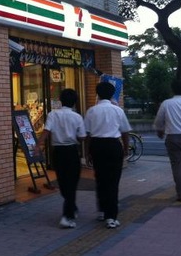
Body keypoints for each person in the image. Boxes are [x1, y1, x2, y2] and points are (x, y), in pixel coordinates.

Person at [36, 89, 86, 229]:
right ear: (75, 102)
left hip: (57, 152)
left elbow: (46, 131)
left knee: (63, 182)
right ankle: (67, 216)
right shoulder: (77, 117)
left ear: (60, 100)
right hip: (71, 151)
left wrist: (38, 146)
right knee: (72, 183)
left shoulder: (52, 114)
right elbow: (82, 137)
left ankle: (72, 208)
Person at [84, 81, 131, 229]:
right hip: (113, 146)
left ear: (98, 94)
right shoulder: (118, 110)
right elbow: (125, 131)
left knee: (100, 179)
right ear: (112, 95)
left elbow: (87, 134)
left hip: (97, 146)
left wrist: (87, 152)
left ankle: (102, 211)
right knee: (113, 181)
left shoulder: (91, 111)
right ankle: (111, 217)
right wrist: (126, 148)